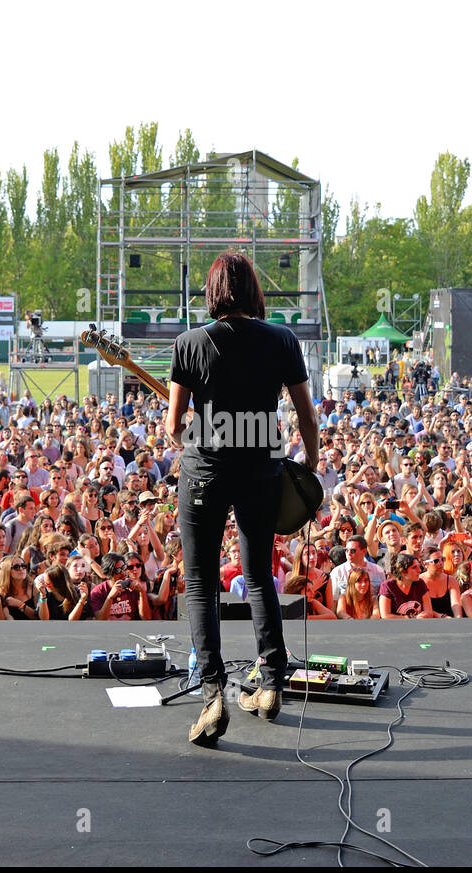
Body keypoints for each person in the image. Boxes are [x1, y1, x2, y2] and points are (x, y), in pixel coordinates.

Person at [165, 252, 317, 746]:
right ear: (254, 290)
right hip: (262, 470)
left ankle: (213, 696)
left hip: (205, 474)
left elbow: (173, 428)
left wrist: (202, 437)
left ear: (211, 291)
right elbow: (306, 416)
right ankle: (271, 684)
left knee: (201, 583)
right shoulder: (282, 340)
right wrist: (308, 464)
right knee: (258, 576)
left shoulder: (190, 342)